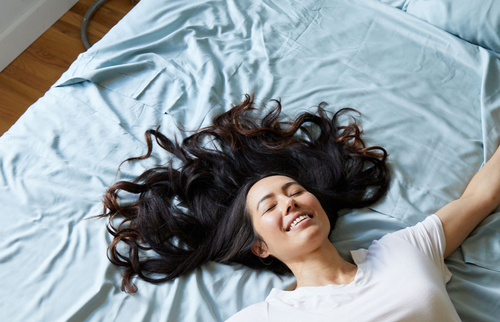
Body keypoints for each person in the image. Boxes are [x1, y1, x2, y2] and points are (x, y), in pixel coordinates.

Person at [99, 94, 500, 321]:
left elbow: (479, 197)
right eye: (269, 206)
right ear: (260, 247)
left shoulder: (403, 251)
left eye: (294, 191)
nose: (289, 202)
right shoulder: (267, 317)